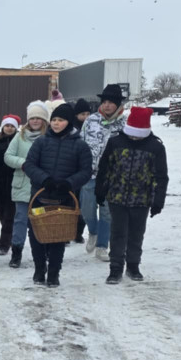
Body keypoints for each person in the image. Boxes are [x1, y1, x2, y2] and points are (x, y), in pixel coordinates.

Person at [20, 105, 92, 286]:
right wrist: (44, 180)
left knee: (58, 235)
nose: (56, 123)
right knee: (36, 233)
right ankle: (39, 268)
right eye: (54, 120)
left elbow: (85, 171)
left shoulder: (80, 145)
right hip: (40, 196)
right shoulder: (41, 142)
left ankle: (53, 272)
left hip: (64, 197)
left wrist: (69, 183)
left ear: (68, 122)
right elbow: (29, 165)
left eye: (60, 120)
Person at [96, 107, 168, 284]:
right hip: (117, 197)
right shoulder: (116, 142)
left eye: (139, 135)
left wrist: (158, 201)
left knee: (136, 234)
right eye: (133, 134)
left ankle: (133, 265)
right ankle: (115, 268)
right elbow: (105, 168)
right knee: (118, 233)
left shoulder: (155, 147)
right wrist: (100, 190)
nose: (135, 138)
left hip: (142, 199)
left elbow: (161, 176)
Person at [81, 84, 127, 262]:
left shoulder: (125, 123)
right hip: (90, 173)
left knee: (107, 212)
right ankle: (93, 231)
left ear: (118, 104)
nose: (107, 105)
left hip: (112, 177)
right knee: (87, 209)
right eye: (105, 102)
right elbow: (81, 143)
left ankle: (102, 246)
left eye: (111, 102)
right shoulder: (91, 120)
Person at [3, 101, 49, 268]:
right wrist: (24, 163)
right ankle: (16, 252)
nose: (35, 121)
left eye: (38, 118)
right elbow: (8, 156)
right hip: (22, 185)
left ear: (44, 120)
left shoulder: (49, 138)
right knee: (21, 220)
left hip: (42, 188)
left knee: (40, 220)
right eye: (32, 118)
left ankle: (43, 251)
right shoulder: (19, 136)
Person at [0, 114, 21, 255]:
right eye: (7, 125)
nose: (9, 128)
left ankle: (4, 244)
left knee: (10, 215)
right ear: (3, 127)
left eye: (12, 126)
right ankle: (10, 232)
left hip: (15, 182)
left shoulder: (20, 140)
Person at [70, 98, 94, 243]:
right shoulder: (72, 128)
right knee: (71, 203)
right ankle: (68, 230)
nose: (85, 117)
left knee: (84, 204)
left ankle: (78, 232)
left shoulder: (93, 128)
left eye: (87, 114)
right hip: (71, 171)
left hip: (86, 171)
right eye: (82, 114)